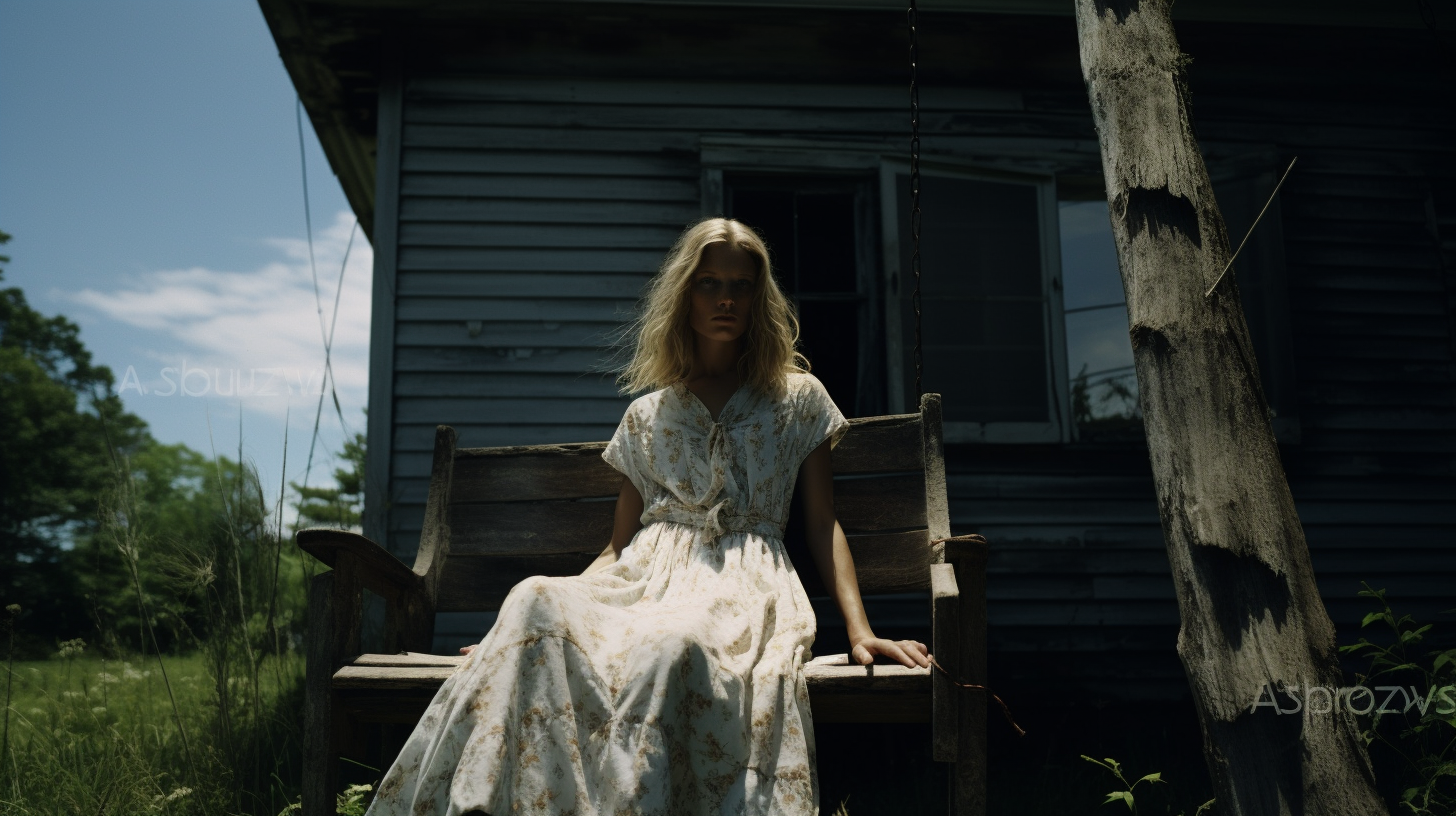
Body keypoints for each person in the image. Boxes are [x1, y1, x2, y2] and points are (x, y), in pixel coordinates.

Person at [365, 218, 931, 816]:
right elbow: (616, 549)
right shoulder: (646, 414)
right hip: (644, 578)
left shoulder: (798, 398)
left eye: (741, 285)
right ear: (684, 294)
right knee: (532, 596)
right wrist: (518, 636)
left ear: (759, 297)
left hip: (738, 582)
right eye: (709, 283)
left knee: (673, 643)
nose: (726, 299)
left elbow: (822, 523)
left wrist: (860, 631)